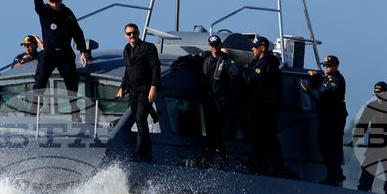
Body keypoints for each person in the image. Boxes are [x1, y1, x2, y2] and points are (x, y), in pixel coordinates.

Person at [170, 34, 238, 169]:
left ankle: (215, 160)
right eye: (212, 45)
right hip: (208, 100)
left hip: (221, 101)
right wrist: (179, 60)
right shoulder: (205, 57)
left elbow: (234, 70)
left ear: (221, 45)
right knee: (210, 131)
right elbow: (192, 58)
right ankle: (213, 159)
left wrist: (235, 74)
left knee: (215, 131)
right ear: (209, 46)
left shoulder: (227, 60)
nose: (215, 47)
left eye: (217, 45)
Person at [33, 0, 89, 119]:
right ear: (49, 2)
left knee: (72, 82)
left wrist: (83, 51)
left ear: (61, 0)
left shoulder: (68, 14)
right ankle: (35, 107)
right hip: (49, 52)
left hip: (65, 53)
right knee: (40, 79)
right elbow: (38, 6)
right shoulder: (45, 12)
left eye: (57, 1)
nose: (55, 3)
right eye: (52, 1)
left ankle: (74, 110)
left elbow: (78, 32)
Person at [239, 36, 285, 175]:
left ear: (263, 48)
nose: (252, 48)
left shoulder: (266, 64)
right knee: (263, 136)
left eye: (255, 46)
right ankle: (266, 166)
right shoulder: (264, 62)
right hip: (264, 105)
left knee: (266, 137)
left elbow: (252, 79)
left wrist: (240, 69)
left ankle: (270, 168)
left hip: (267, 105)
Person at [300, 55, 348, 186]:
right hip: (327, 119)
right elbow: (324, 82)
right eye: (324, 65)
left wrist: (307, 89)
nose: (326, 67)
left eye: (328, 66)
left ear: (335, 66)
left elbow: (322, 94)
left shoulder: (336, 82)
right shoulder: (329, 79)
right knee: (324, 146)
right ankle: (335, 173)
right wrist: (316, 76)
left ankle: (334, 175)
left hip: (333, 120)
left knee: (331, 148)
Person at [117, 23, 160, 162]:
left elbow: (155, 67)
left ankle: (137, 153)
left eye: (134, 33)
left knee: (141, 119)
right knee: (140, 122)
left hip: (145, 91)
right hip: (133, 92)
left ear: (138, 33)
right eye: (129, 34)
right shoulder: (126, 49)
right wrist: (121, 87)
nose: (132, 35)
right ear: (125, 35)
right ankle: (148, 155)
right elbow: (127, 71)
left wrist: (153, 87)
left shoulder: (147, 48)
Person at [353, 81, 387, 194]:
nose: (378, 97)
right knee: (368, 171)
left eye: (380, 94)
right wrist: (355, 139)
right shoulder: (371, 106)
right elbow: (362, 124)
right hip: (374, 145)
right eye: (376, 95)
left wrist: (386, 114)